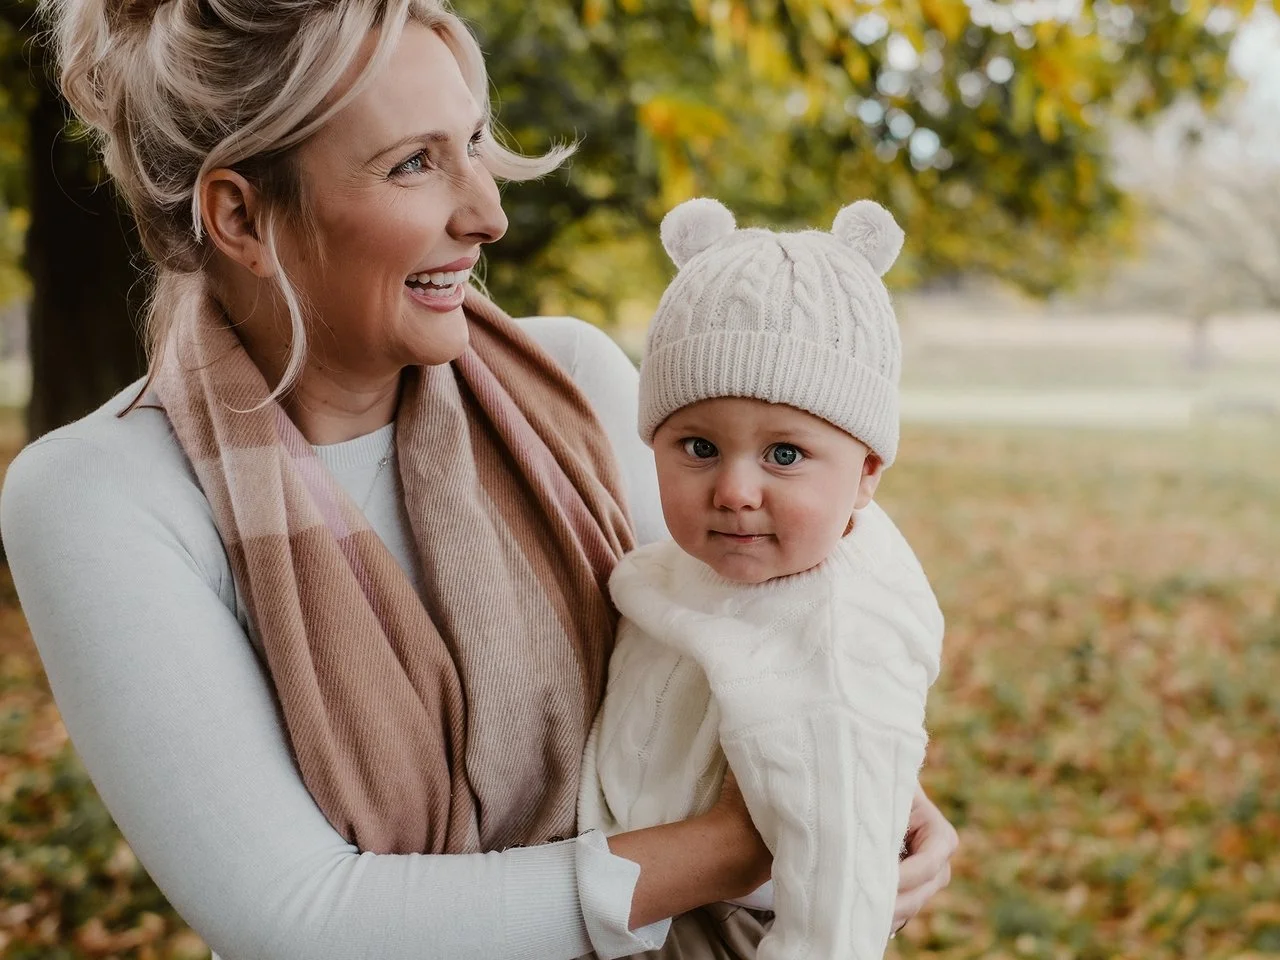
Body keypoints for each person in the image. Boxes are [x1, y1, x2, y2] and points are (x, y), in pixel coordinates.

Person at [1, 1, 958, 958]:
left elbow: (742, 645)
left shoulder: (575, 385)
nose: (489, 212)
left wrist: (861, 783)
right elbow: (299, 918)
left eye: (472, 144)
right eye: (414, 163)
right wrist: (754, 841)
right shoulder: (103, 496)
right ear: (242, 215)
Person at [579, 198, 944, 959]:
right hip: (643, 902)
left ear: (867, 472)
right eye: (699, 447)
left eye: (784, 455)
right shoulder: (677, 572)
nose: (736, 491)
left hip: (743, 931)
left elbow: (841, 896)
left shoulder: (840, 634)